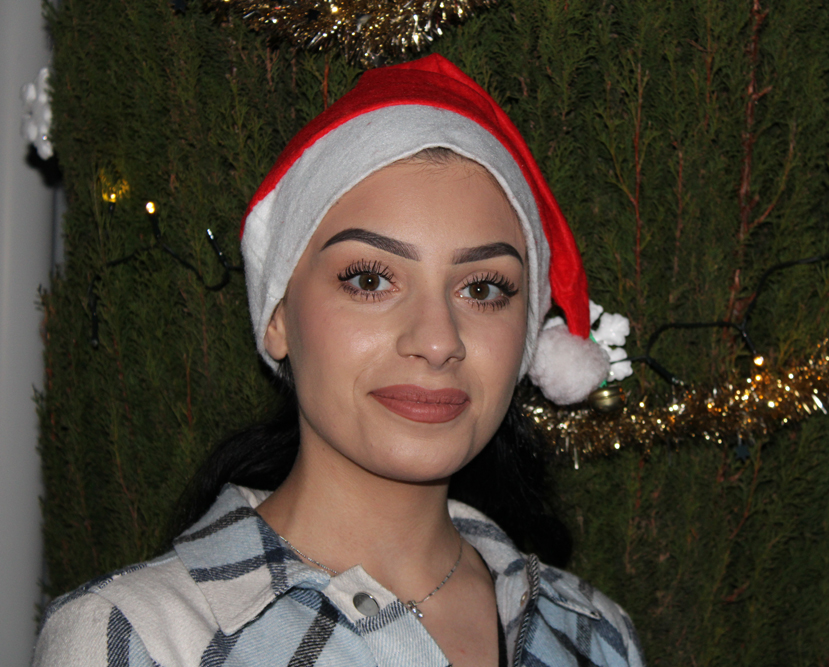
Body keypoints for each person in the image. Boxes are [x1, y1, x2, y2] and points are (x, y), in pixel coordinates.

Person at [32, 54, 643, 667]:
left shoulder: (597, 634)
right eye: (370, 280)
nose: (437, 341)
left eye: (482, 288)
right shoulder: (133, 639)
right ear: (278, 317)